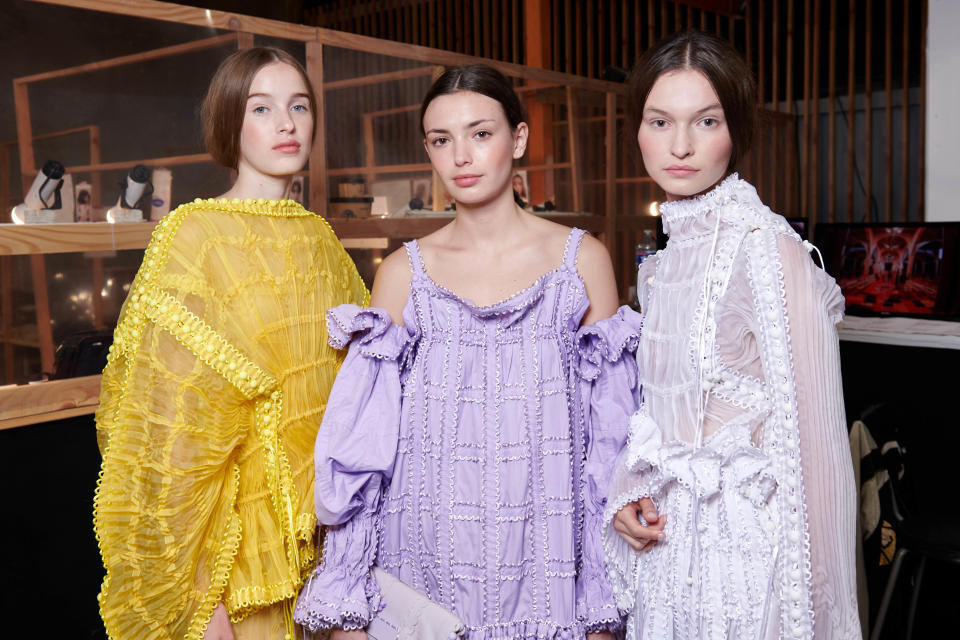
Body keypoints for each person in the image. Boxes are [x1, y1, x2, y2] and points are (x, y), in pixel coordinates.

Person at [294, 64, 641, 639]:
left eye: (480, 133)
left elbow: (610, 443)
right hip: (422, 563)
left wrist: (600, 609)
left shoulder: (581, 262)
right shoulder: (403, 273)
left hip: (546, 566)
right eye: (441, 140)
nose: (461, 157)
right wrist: (348, 608)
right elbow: (366, 446)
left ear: (519, 139)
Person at [93, 47, 368, 640]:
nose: (287, 124)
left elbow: (360, 388)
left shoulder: (320, 237)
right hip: (241, 560)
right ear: (228, 123)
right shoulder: (196, 234)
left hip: (329, 543)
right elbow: (165, 435)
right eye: (261, 108)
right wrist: (199, 598)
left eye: (298, 105)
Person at [604, 30, 861, 639]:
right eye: (660, 122)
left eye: (706, 121)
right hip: (665, 559)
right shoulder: (662, 264)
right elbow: (662, 417)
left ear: (735, 131)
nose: (681, 146)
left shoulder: (766, 249)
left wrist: (815, 622)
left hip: (747, 571)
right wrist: (630, 489)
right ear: (636, 130)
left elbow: (820, 458)